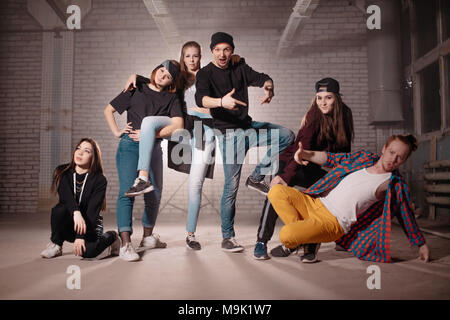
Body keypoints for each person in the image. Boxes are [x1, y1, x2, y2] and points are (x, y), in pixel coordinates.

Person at [195, 31, 295, 252]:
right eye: (218, 49)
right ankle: (227, 237)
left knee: (287, 135)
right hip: (229, 135)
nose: (222, 54)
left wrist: (269, 88)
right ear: (212, 51)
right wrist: (221, 101)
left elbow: (263, 77)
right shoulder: (205, 73)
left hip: (248, 127)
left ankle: (257, 177)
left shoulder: (239, 67)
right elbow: (200, 98)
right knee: (231, 187)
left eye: (227, 49)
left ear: (232, 51)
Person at [268, 134, 431, 263]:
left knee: (286, 235)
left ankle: (298, 240)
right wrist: (305, 154)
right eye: (392, 152)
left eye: (400, 157)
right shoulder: (364, 158)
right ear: (384, 149)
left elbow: (405, 214)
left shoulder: (392, 183)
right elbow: (332, 159)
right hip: (315, 202)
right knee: (276, 191)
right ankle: (306, 238)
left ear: (404, 160)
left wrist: (420, 243)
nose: (393, 159)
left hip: (333, 222)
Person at [254, 77, 354, 260]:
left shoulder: (345, 115)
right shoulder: (314, 115)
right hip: (291, 162)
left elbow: (344, 151)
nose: (322, 102)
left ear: (337, 98)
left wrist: (342, 178)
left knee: (317, 197)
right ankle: (261, 241)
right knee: (276, 191)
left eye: (328, 98)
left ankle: (309, 245)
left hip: (314, 164)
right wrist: (284, 177)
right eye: (319, 97)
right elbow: (301, 149)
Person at [104, 60, 183, 261]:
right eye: (162, 71)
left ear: (171, 82)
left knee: (154, 193)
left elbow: (177, 125)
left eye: (168, 76)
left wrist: (153, 136)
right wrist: (117, 132)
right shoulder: (135, 88)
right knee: (127, 193)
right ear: (156, 69)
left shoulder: (171, 98)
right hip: (129, 146)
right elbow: (108, 110)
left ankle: (148, 238)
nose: (163, 76)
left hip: (154, 148)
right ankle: (126, 244)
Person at [40, 138, 120, 260]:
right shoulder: (63, 172)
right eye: (78, 148)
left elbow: (92, 211)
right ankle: (56, 244)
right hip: (71, 220)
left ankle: (113, 236)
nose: (80, 153)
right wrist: (76, 213)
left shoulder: (100, 180)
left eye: (86, 151)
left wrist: (80, 236)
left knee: (88, 253)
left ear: (94, 157)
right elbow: (66, 199)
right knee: (59, 209)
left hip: (90, 222)